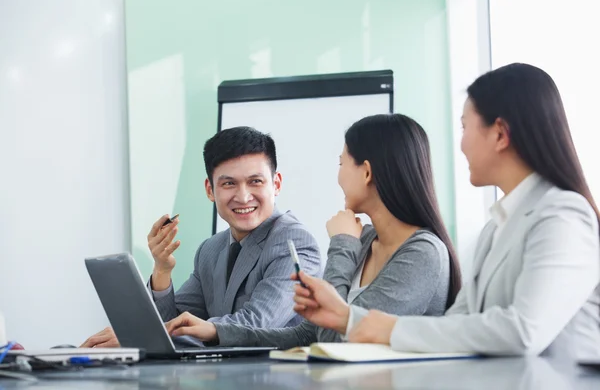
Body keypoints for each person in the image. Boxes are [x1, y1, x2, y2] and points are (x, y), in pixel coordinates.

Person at [295, 63, 600, 359]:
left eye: (465, 127)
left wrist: (385, 328)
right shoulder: (496, 227)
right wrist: (348, 318)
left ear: (500, 134)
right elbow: (456, 323)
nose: (462, 144)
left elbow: (523, 332)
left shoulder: (564, 216)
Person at [160, 113, 462, 348]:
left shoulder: (422, 253)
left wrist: (342, 244)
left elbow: (334, 336)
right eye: (229, 183)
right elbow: (307, 334)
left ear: (366, 172)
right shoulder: (365, 239)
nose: (338, 174)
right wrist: (217, 332)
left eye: (342, 162)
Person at [82, 126, 322, 348]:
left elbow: (256, 323)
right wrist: (162, 271)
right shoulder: (211, 249)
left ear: (276, 184)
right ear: (210, 190)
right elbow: (174, 323)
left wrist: (134, 336)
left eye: (255, 181)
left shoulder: (294, 241)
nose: (243, 196)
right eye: (229, 184)